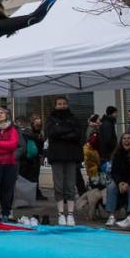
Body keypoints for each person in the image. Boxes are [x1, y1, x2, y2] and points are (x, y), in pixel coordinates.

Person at [46, 96, 83, 226]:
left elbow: (78, 134)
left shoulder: (74, 118)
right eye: (59, 104)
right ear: (55, 105)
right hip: (56, 156)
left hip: (71, 156)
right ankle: (61, 213)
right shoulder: (51, 119)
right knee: (58, 185)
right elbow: (51, 133)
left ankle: (71, 214)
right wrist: (68, 130)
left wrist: (60, 132)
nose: (62, 106)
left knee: (70, 185)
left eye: (64, 103)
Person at [105, 133, 130, 229]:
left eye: (129, 138)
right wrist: (120, 183)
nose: (126, 140)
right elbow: (114, 172)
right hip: (120, 181)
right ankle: (111, 215)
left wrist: (127, 183)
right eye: (124, 138)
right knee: (111, 187)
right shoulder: (117, 154)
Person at [20, 114, 45, 200]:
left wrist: (41, 156)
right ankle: (28, 194)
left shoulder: (40, 133)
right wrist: (38, 137)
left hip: (35, 158)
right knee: (26, 176)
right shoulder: (27, 131)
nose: (38, 126)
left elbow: (41, 146)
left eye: (40, 125)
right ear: (32, 123)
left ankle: (36, 193)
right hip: (26, 158)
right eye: (36, 124)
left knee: (35, 177)